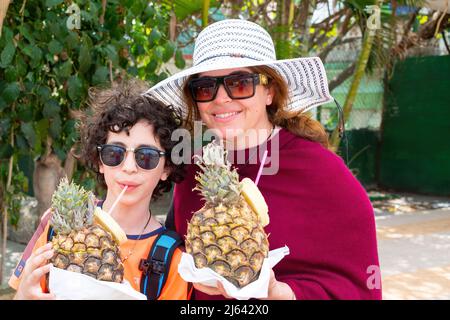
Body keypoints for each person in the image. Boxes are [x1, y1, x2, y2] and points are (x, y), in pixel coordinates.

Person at [146, 19, 382, 300]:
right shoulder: (193, 172)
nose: (221, 99)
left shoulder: (322, 172)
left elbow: (361, 287)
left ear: (269, 91)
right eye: (206, 88)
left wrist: (284, 293)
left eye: (240, 83)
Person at [9, 79, 191, 300]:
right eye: (115, 153)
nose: (129, 167)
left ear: (167, 168)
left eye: (147, 157)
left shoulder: (173, 260)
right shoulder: (57, 226)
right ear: (100, 161)